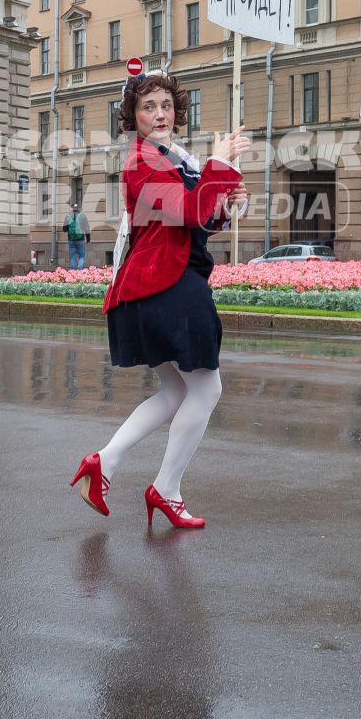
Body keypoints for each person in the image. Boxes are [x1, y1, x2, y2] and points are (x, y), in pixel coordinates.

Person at [70, 72, 248, 530]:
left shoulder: (175, 159)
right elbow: (187, 210)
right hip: (162, 284)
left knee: (176, 392)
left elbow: (201, 221)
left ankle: (104, 463)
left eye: (166, 105)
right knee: (207, 389)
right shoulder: (140, 163)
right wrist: (219, 164)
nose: (160, 114)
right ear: (134, 117)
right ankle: (165, 490)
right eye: (148, 106)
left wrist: (228, 201)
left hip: (166, 280)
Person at [63, 201, 90, 270]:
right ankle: (79, 270)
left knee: (72, 257)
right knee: (82, 256)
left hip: (71, 239)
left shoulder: (68, 216)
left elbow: (64, 229)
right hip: (80, 239)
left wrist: (70, 226)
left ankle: (72, 272)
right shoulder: (82, 215)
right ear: (78, 207)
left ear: (72, 208)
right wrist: (88, 239)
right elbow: (87, 228)